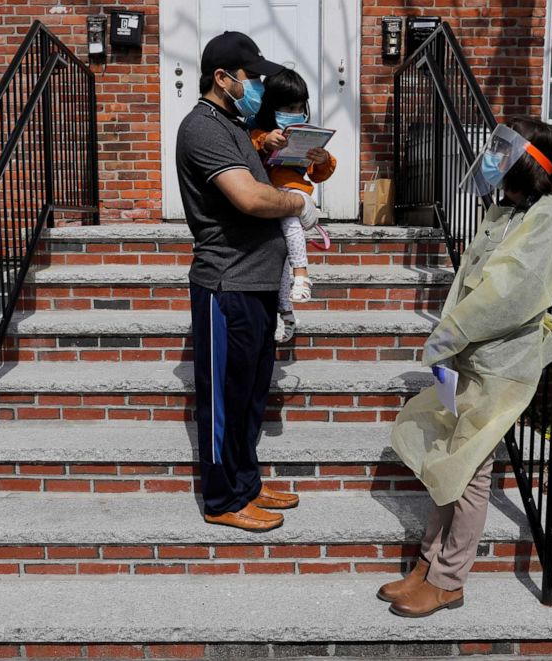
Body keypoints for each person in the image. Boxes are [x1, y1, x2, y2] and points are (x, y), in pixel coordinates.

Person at [380, 118, 552, 617]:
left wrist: (447, 336)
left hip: (500, 365)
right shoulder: (504, 210)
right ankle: (427, 565)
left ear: (526, 160)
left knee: (470, 470)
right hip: (465, 356)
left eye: (502, 150)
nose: (491, 157)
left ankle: (449, 580)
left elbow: (507, 294)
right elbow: (469, 282)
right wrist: (449, 343)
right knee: (444, 458)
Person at [175, 32, 319, 533]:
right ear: (223, 78)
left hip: (256, 282)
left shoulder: (235, 125)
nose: (257, 84)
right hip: (226, 283)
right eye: (250, 76)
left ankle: (248, 483)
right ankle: (222, 499)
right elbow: (252, 200)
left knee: (251, 396)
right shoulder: (203, 128)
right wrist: (300, 204)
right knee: (225, 400)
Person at [249, 69, 336, 343]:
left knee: (289, 224)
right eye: (288, 107)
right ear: (270, 106)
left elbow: (318, 173)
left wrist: (322, 160)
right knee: (279, 256)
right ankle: (285, 310)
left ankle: (303, 274)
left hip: (294, 197)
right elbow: (248, 149)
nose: (295, 112)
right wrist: (265, 142)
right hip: (267, 200)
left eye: (299, 107)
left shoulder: (304, 133)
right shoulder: (257, 131)